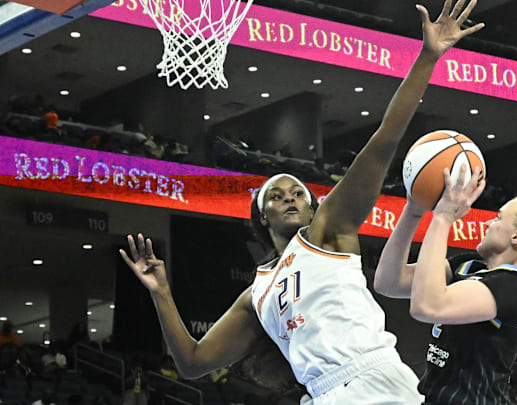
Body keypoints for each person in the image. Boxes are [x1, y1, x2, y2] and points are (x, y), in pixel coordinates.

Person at [119, 1, 485, 403]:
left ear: (315, 207)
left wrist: (428, 58)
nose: (289, 198)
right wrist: (161, 292)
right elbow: (192, 362)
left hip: (374, 381)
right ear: (262, 215)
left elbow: (382, 143)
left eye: (298, 193)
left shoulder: (328, 232)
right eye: (276, 196)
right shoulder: (255, 295)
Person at [374, 166, 517, 405]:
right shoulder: (467, 265)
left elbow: (427, 306)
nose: (487, 224)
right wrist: (412, 212)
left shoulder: (516, 289)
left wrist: (443, 219)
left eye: (499, 218)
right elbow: (388, 282)